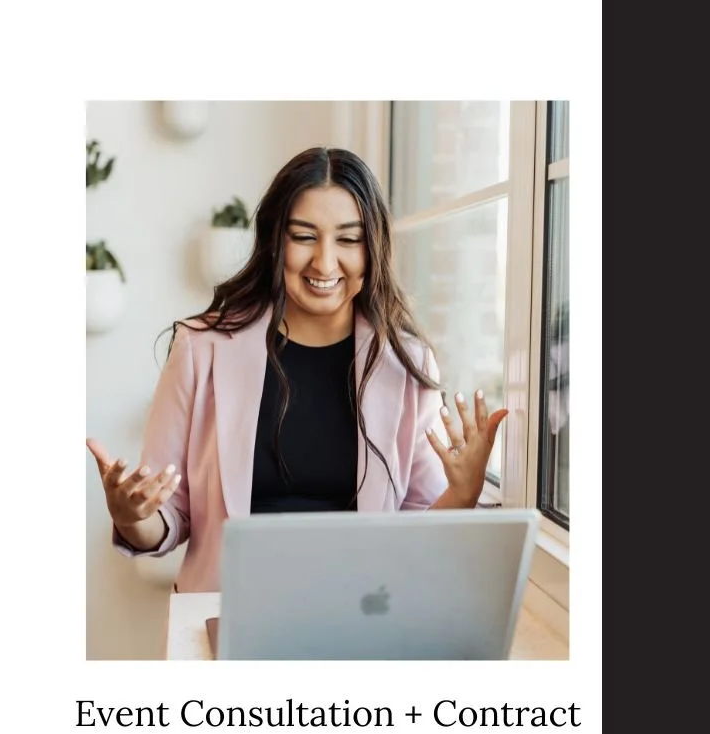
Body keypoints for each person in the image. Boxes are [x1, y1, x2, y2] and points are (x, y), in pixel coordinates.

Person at [87, 147, 508, 596]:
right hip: (229, 613)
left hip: (359, 620)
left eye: (348, 239)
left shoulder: (406, 363)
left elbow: (418, 536)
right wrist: (132, 515)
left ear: (373, 249)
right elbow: (167, 517)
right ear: (274, 241)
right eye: (304, 236)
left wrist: (462, 493)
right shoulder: (200, 349)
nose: (325, 263)